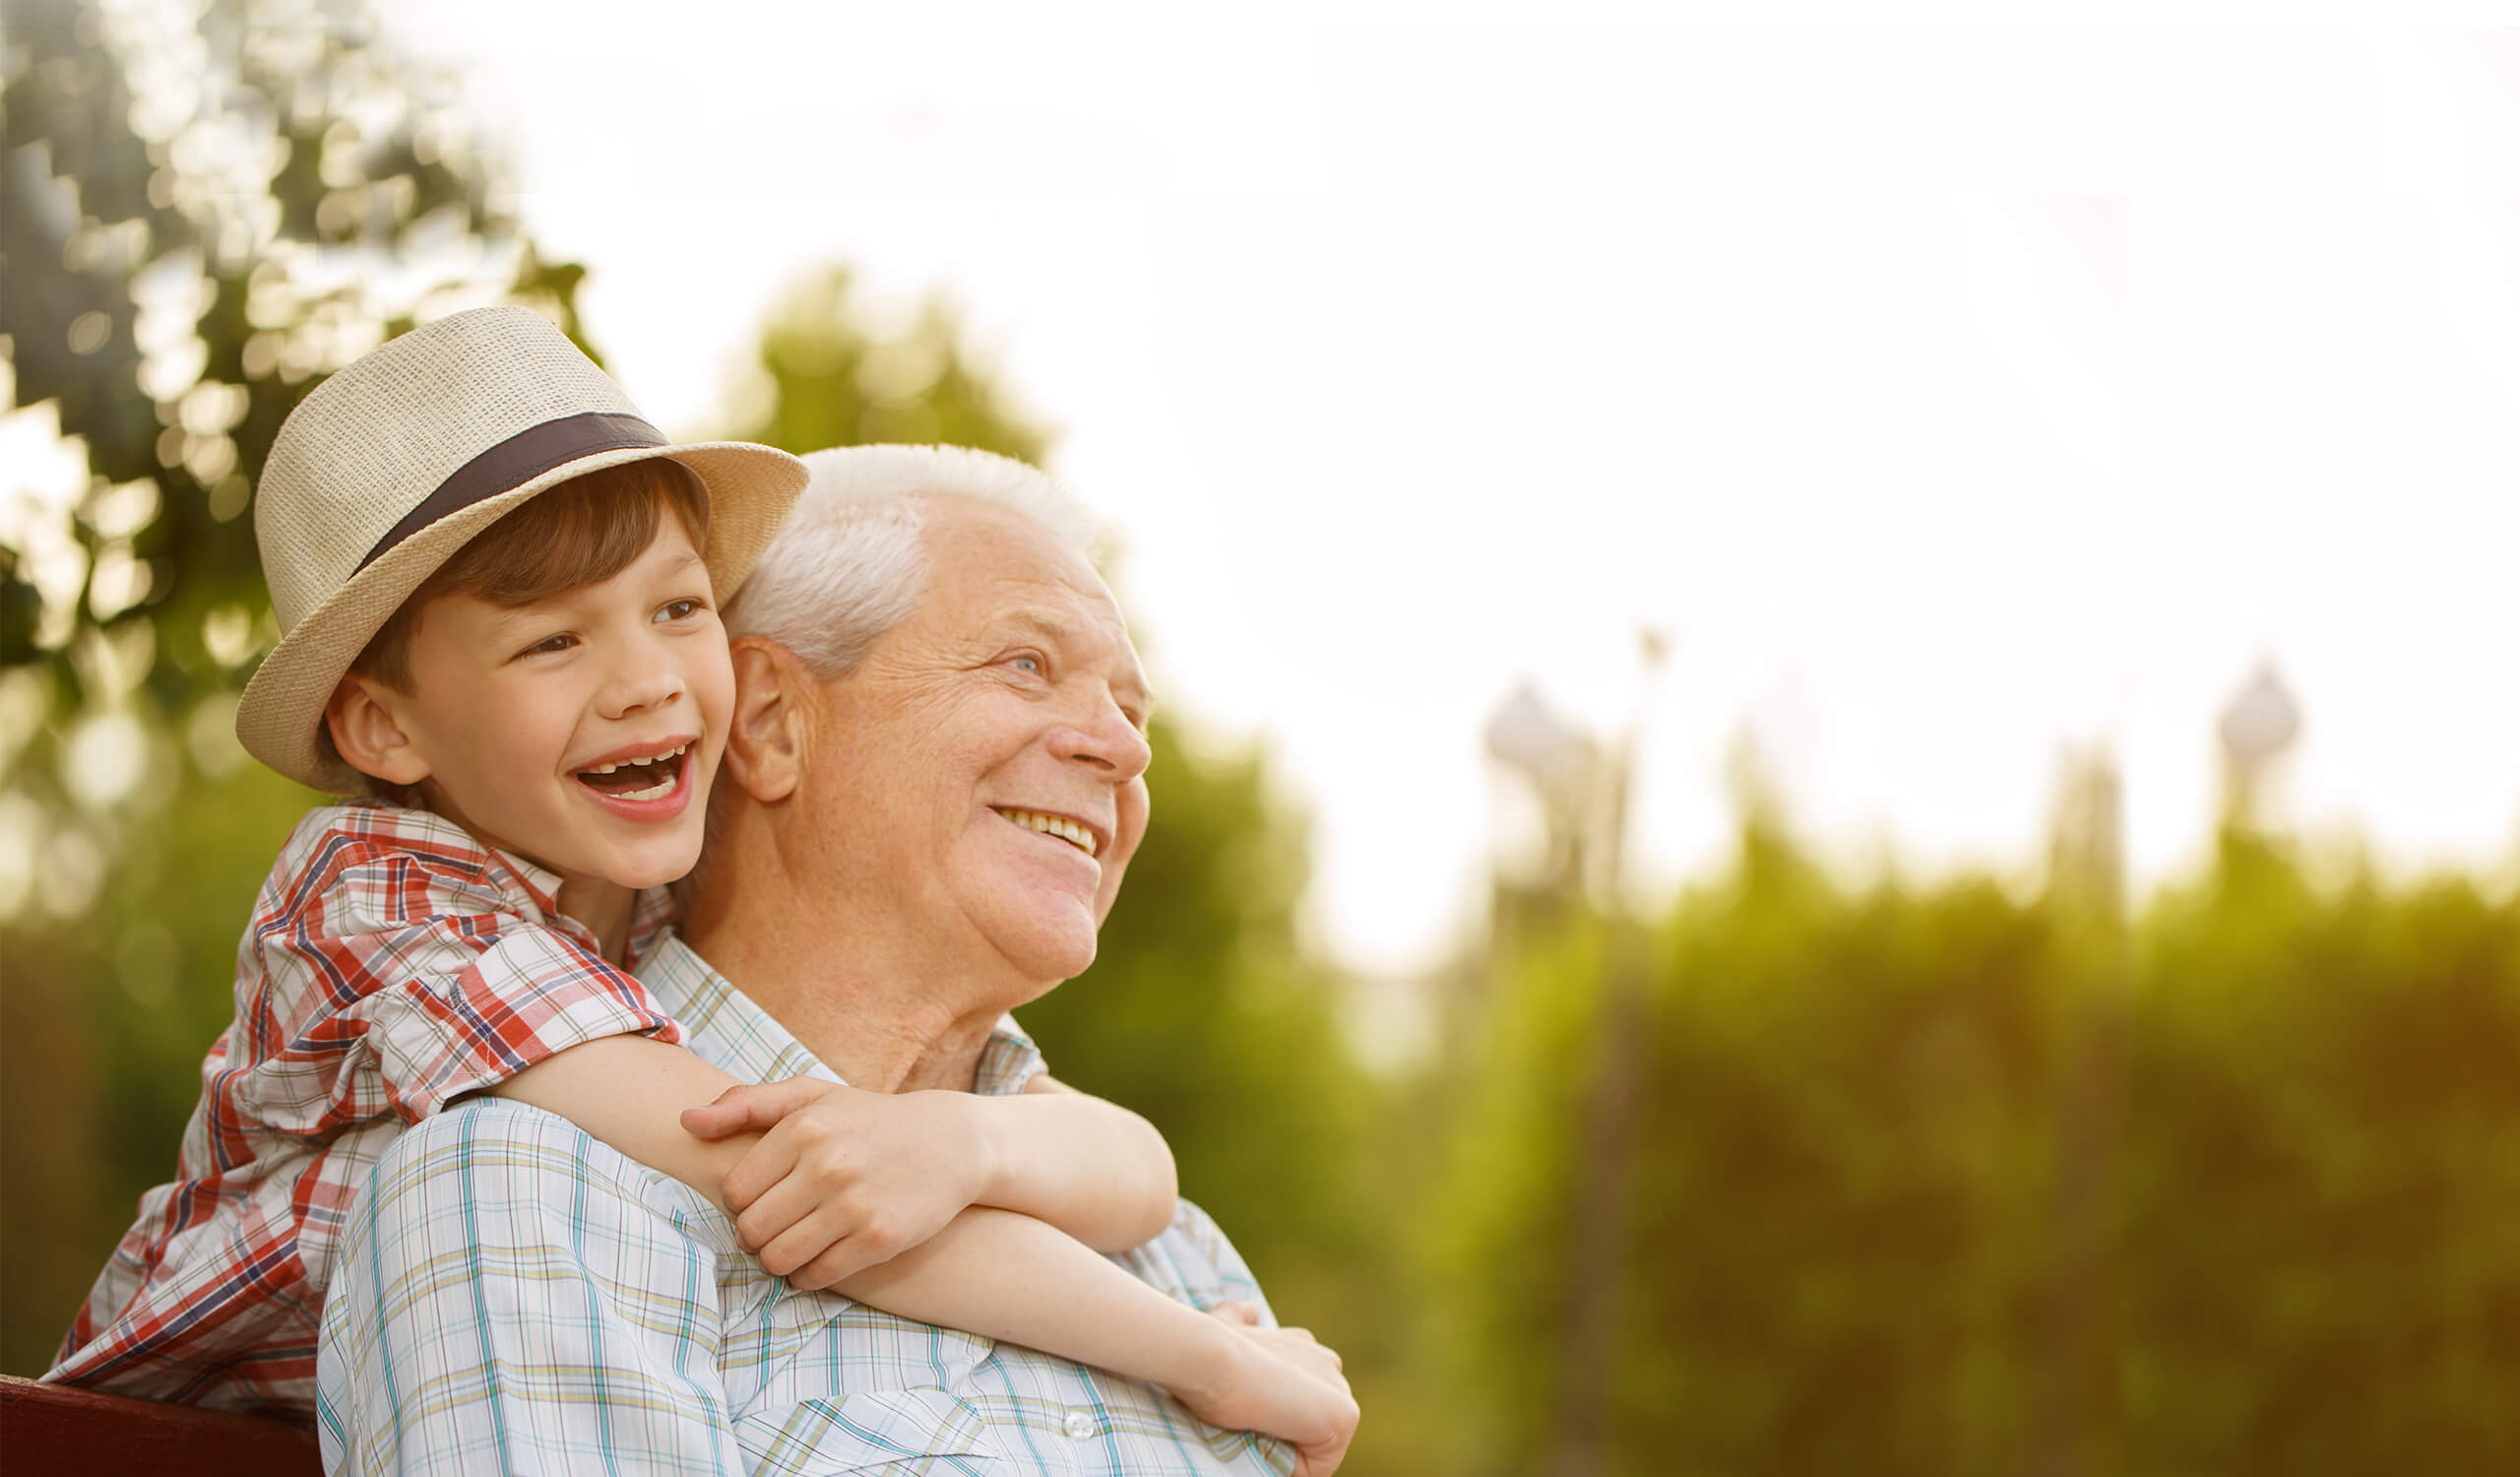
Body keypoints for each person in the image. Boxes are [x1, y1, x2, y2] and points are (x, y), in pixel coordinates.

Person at [46, 312, 1353, 1462]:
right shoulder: (400, 932)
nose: (651, 682)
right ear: (387, 730)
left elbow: (1129, 1166)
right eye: (553, 637)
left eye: (679, 611)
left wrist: (972, 1144)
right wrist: (1210, 1364)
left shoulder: (617, 918)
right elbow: (792, 1174)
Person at [315, 443, 1360, 1475]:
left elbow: (1131, 1168)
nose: (1126, 751)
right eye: (1026, 665)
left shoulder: (1173, 1253)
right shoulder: (529, 1179)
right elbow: (773, 1168)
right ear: (770, 721)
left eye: (1132, 715)